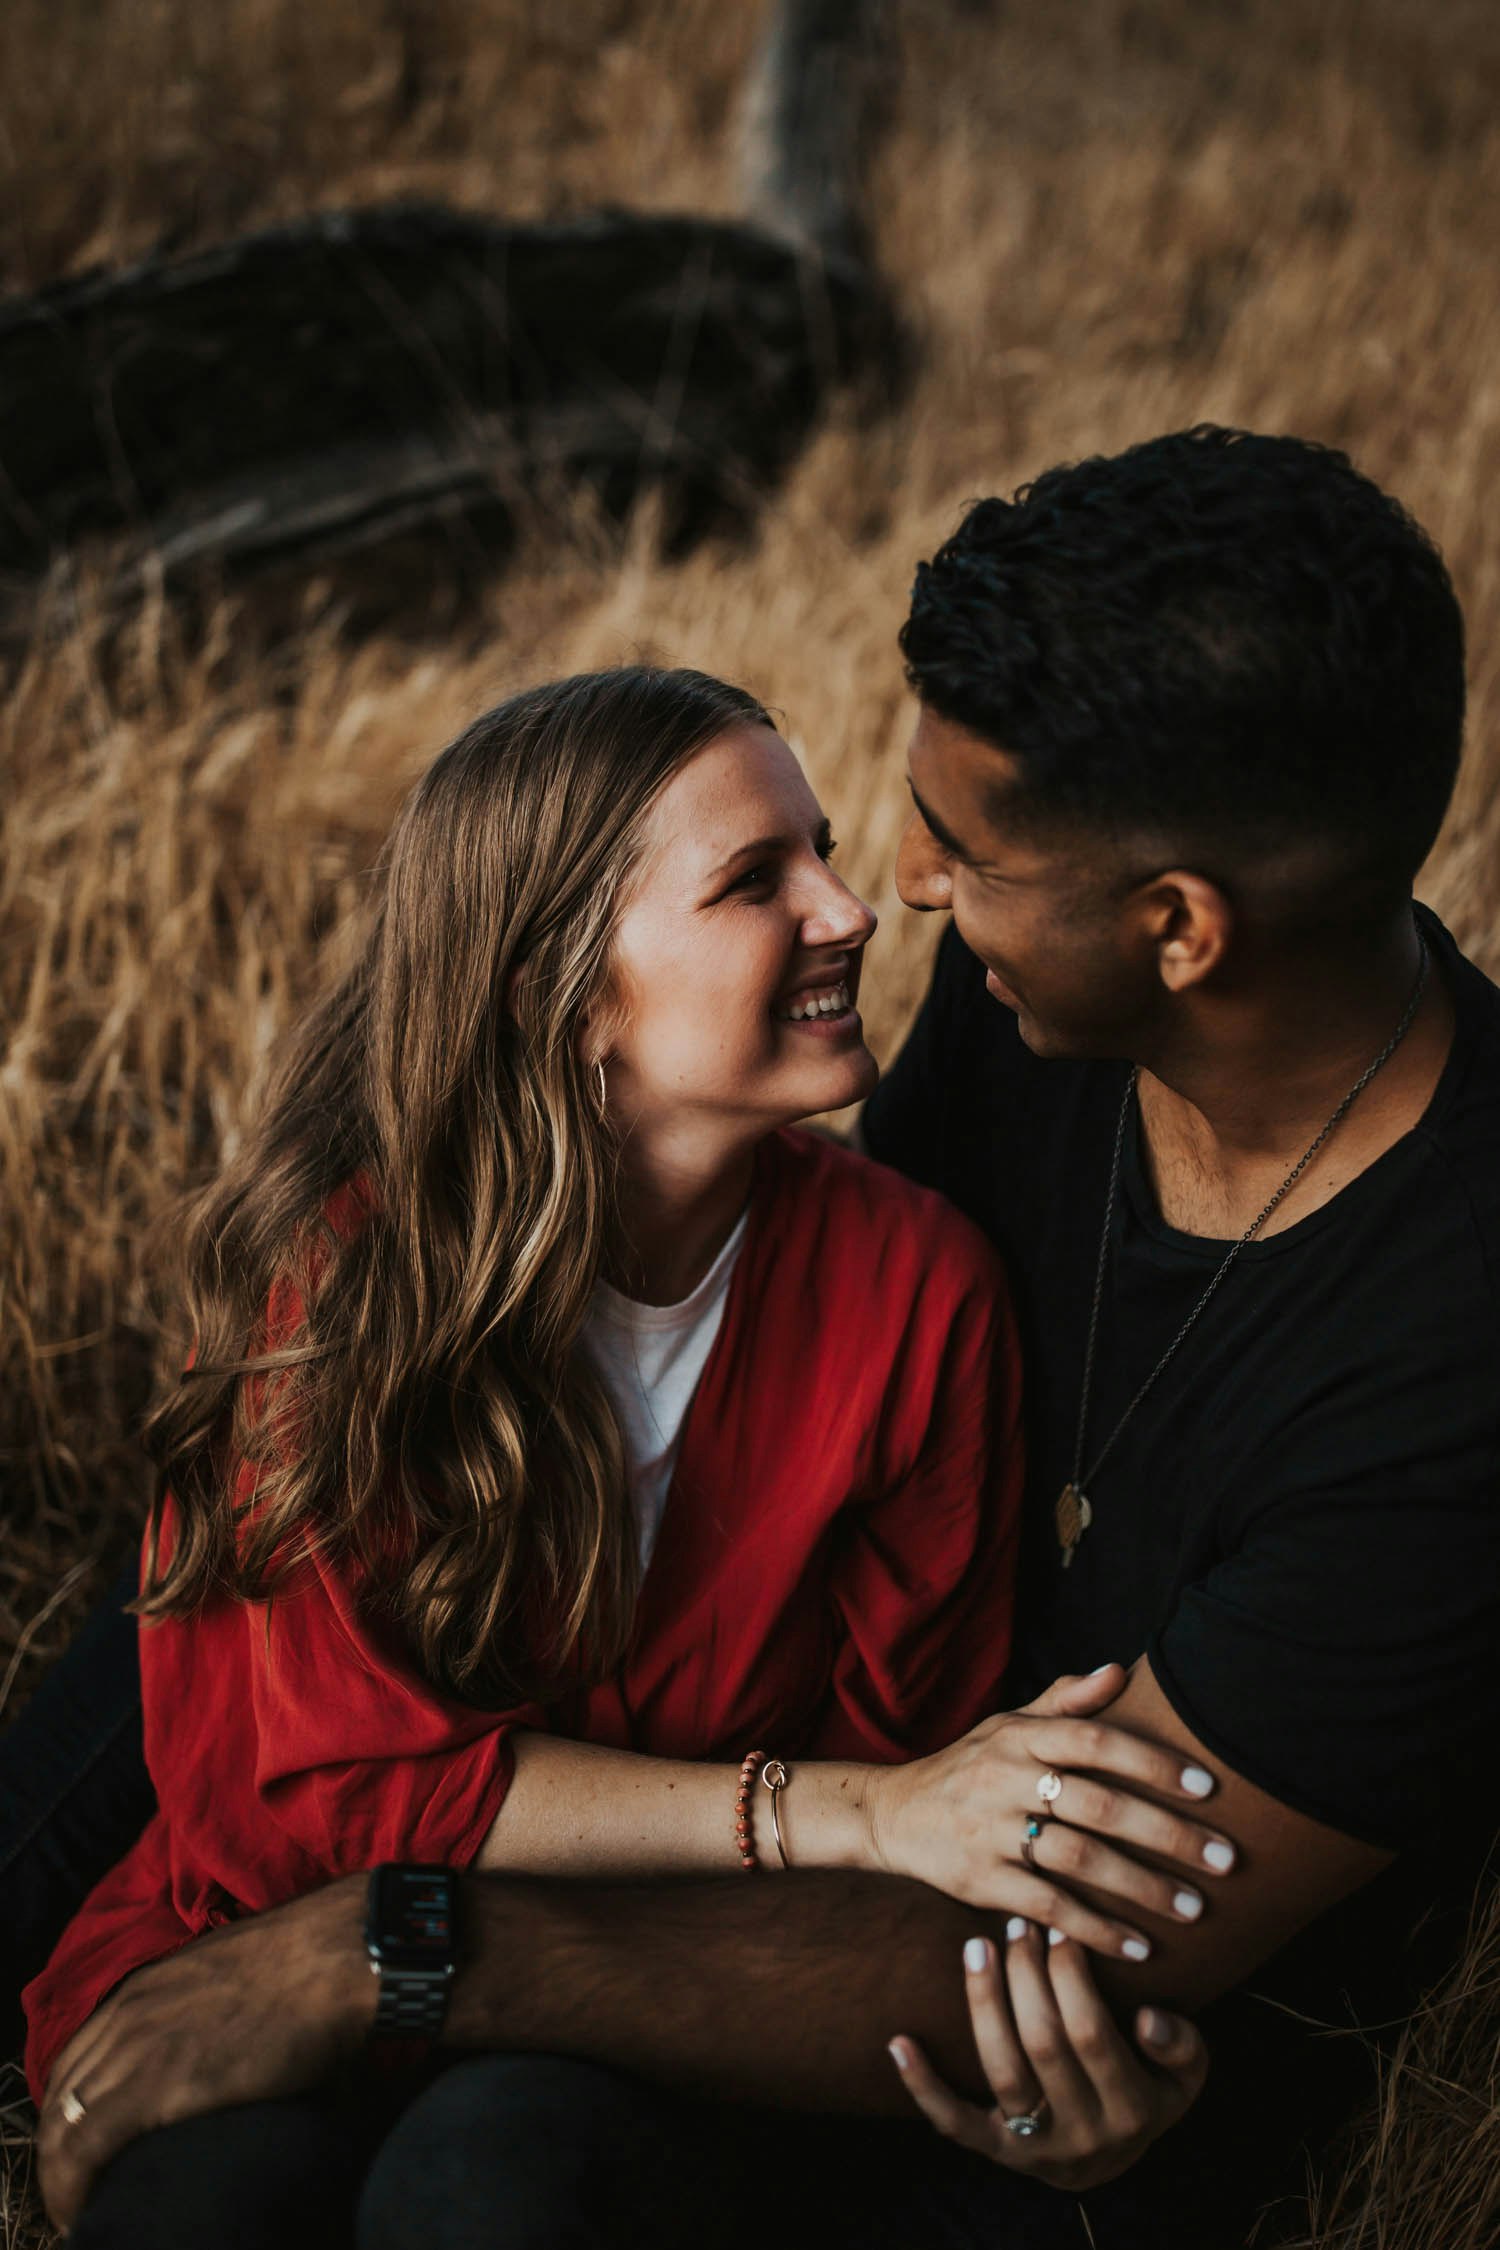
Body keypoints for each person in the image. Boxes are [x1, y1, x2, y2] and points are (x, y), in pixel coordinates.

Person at [17, 425, 1497, 2250]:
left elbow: (1063, 1928)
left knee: (493, 2166)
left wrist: (386, 1946)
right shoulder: (1035, 998)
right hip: (745, 1764)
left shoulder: (1449, 1367)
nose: (896, 892)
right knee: (210, 1589)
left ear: (1177, 925)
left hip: (981, 1988)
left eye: (963, 848)